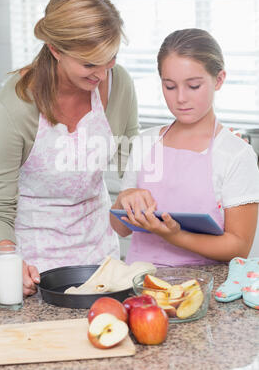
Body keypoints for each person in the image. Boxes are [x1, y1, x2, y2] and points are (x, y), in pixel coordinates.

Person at [0, 0, 139, 296]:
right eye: (90, 64)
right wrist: (9, 258)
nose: (103, 73)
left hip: (101, 260)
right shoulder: (16, 105)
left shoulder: (117, 82)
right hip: (38, 269)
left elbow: (132, 162)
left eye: (110, 58)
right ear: (56, 50)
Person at [110, 28, 259, 266]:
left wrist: (176, 236)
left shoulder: (235, 154)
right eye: (170, 86)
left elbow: (239, 246)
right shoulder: (144, 143)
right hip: (140, 286)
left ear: (218, 80)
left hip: (204, 289)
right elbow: (120, 228)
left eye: (193, 86)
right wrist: (124, 199)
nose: (180, 98)